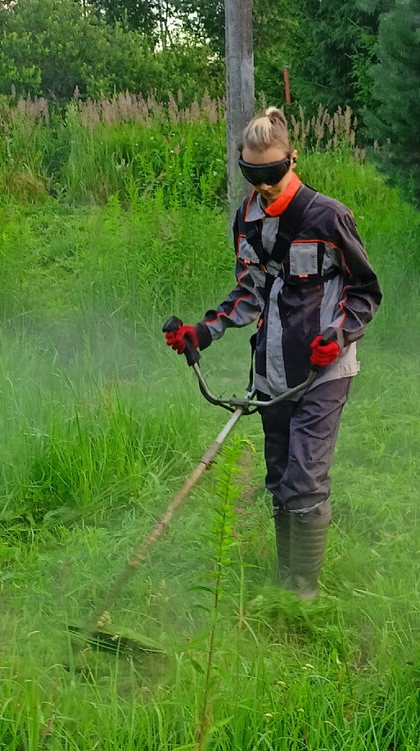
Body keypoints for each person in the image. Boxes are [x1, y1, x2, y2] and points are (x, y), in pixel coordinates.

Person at [164, 107, 382, 600]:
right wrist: (204, 330)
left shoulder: (329, 217)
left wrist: (341, 333)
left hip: (325, 371)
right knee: (280, 477)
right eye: (252, 175)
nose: (262, 187)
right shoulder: (245, 220)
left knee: (304, 479)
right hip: (272, 371)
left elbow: (366, 291)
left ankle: (302, 598)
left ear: (292, 161)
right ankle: (287, 579)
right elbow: (251, 291)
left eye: (272, 175)